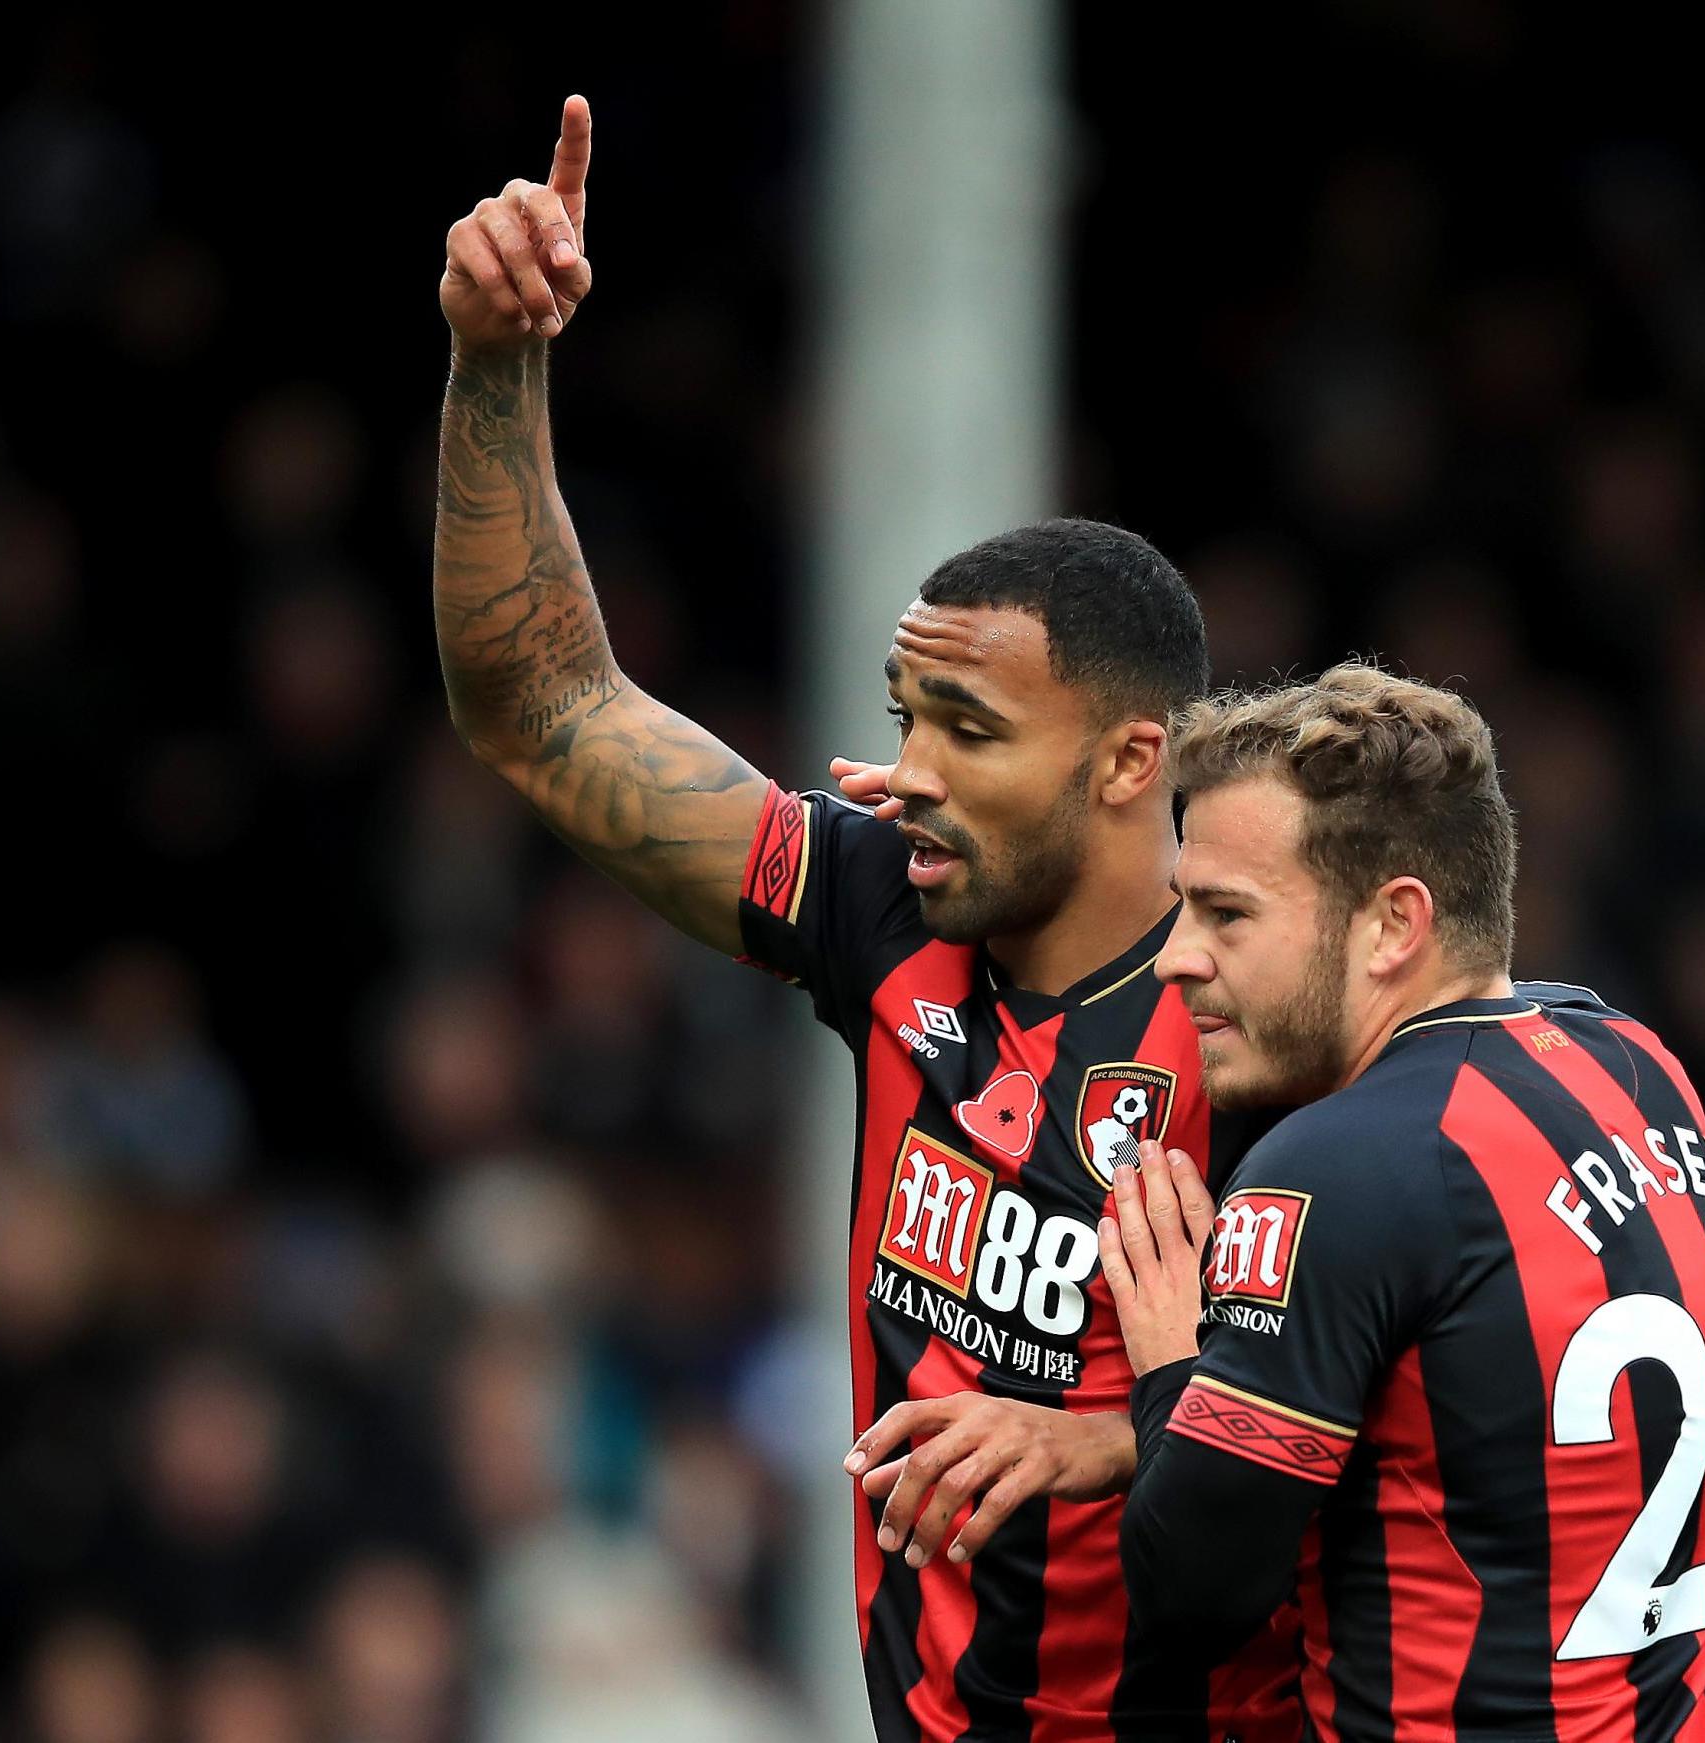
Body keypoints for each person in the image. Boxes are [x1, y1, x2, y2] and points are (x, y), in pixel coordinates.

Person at [435, 96, 1297, 1743]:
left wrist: (1101, 1436)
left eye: (964, 731)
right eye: (903, 714)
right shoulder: (873, 905)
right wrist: (495, 364)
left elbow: (1414, 1390)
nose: (902, 771)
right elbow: (537, 707)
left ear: (1131, 762)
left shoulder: (1264, 1022)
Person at [1100, 665, 1705, 1742]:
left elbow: (1192, 1587)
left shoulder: (1338, 1164)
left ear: (1390, 924)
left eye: (1223, 911)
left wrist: (1173, 1367)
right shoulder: (1637, 1066)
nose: (1176, 957)